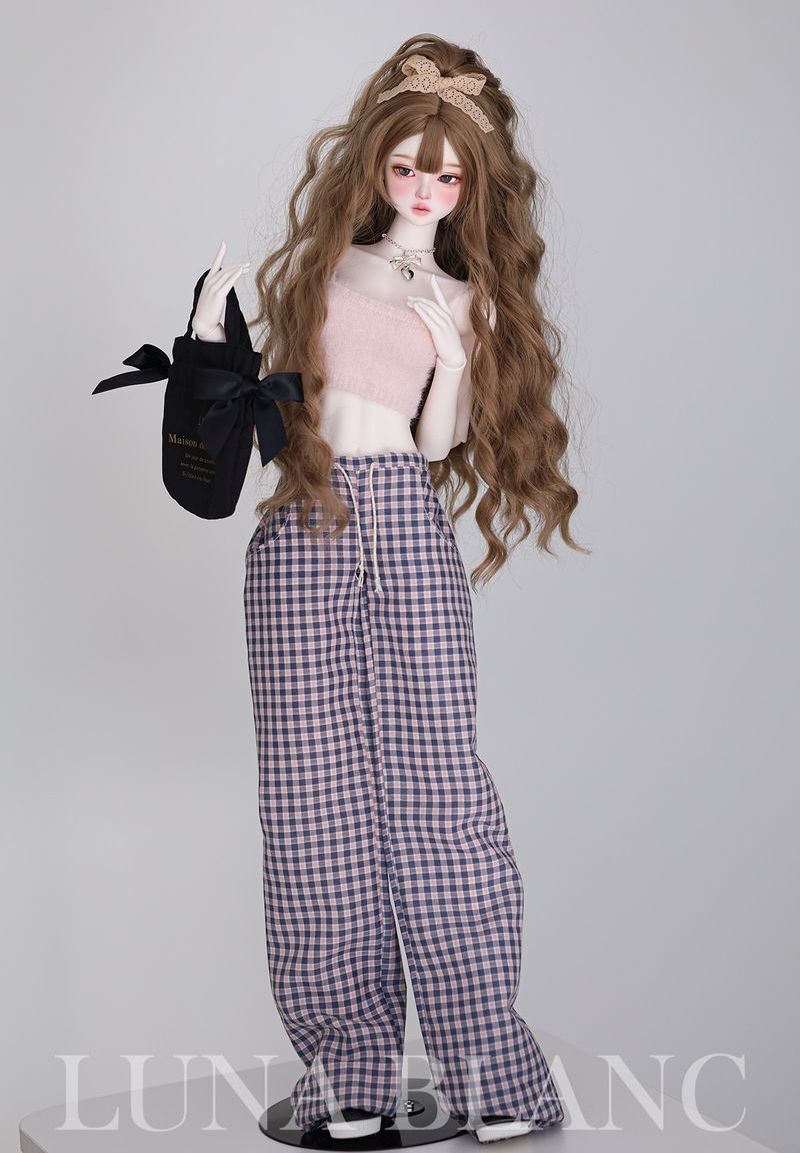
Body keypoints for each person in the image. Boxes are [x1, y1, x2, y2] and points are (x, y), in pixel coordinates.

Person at [196, 34, 585, 1144]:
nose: (422, 187)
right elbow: (282, 402)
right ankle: (351, 1073)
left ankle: (487, 1072)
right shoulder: (328, 268)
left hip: (405, 519)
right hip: (304, 520)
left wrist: (455, 357)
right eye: (407, 165)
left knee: (438, 792)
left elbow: (440, 438)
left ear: (471, 186)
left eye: (445, 174)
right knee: (310, 802)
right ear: (374, 162)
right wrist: (206, 339)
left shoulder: (466, 296)